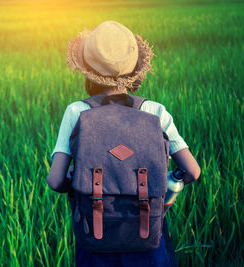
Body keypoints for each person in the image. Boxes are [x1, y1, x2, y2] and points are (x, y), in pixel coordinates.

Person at [47, 21, 201, 267]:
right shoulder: (155, 111)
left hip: (95, 238)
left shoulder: (76, 112)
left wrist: (80, 181)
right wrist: (164, 185)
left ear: (87, 71)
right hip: (149, 235)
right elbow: (192, 171)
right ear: (134, 71)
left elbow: (55, 181)